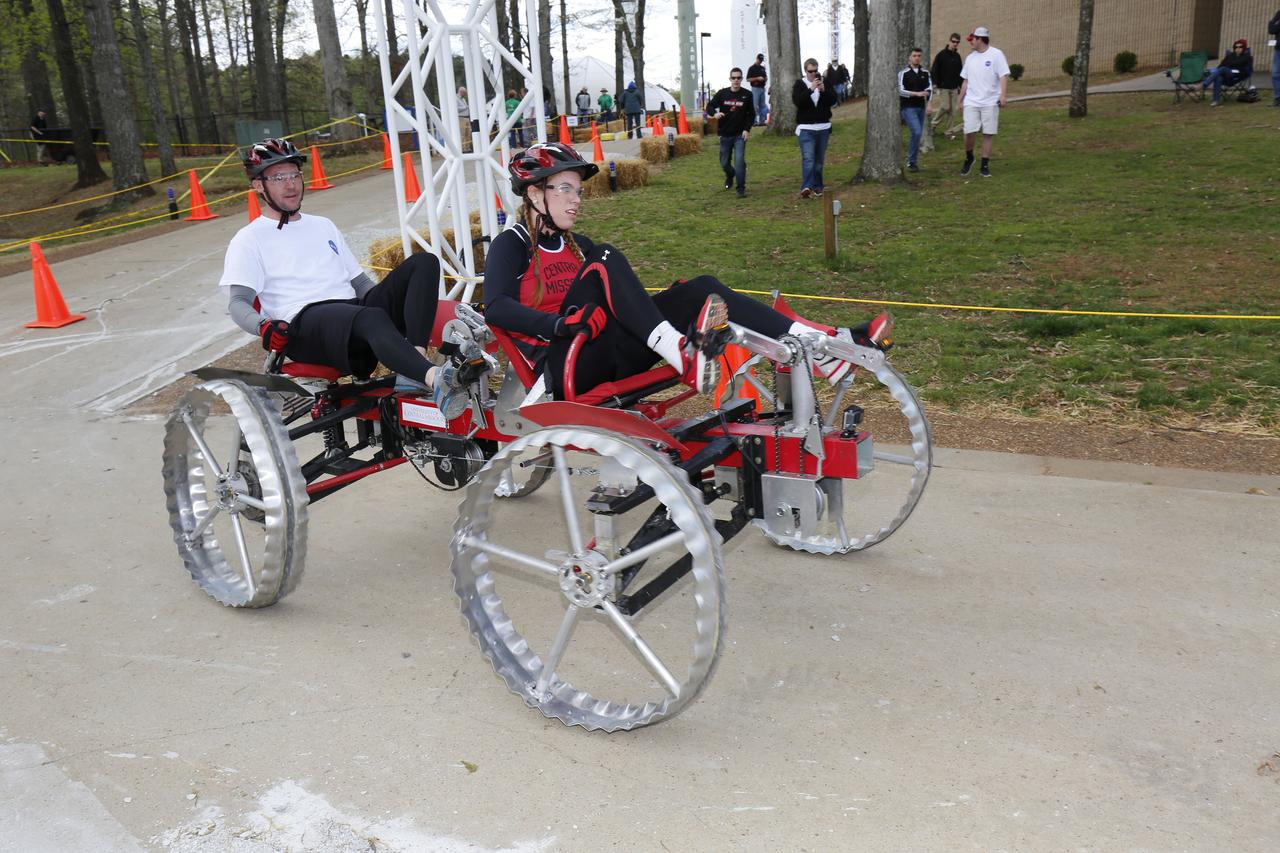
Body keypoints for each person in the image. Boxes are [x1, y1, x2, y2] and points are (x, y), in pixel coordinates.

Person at [482, 143, 879, 401]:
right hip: (564, 364)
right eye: (564, 189)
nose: (575, 199)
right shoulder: (512, 244)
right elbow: (495, 309)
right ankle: (681, 352)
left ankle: (822, 345)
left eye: (578, 190)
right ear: (534, 194)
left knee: (701, 289)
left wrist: (672, 305)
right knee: (603, 258)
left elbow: (624, 303)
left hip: (609, 352)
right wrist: (559, 326)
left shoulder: (578, 245)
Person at [218, 139, 479, 416]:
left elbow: (361, 284)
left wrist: (391, 301)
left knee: (424, 262)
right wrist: (263, 327)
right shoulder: (249, 239)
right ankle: (434, 378)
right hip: (303, 327)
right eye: (279, 177)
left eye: (294, 174)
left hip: (352, 321)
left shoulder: (323, 225)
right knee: (369, 316)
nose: (291, 184)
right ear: (259, 185)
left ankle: (414, 364)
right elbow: (238, 302)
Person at [958, 26, 1010, 178]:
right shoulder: (970, 58)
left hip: (990, 101)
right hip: (971, 101)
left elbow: (1003, 76)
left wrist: (1003, 95)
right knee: (969, 131)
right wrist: (960, 100)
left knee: (988, 133)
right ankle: (969, 157)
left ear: (980, 39)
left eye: (972, 39)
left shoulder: (996, 54)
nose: (970, 43)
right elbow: (965, 81)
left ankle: (984, 164)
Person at [707, 68, 755, 197]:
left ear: (741, 79)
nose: (736, 80)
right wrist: (715, 113)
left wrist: (747, 129)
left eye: (738, 78)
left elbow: (751, 114)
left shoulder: (747, 95)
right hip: (725, 134)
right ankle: (730, 174)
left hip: (740, 134)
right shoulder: (722, 94)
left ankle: (740, 188)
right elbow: (709, 106)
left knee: (739, 161)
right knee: (724, 163)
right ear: (730, 79)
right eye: (733, 78)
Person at [793, 57, 837, 198]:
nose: (813, 74)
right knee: (809, 158)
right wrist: (811, 89)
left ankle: (818, 186)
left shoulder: (825, 82)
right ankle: (806, 186)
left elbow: (833, 100)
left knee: (819, 161)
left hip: (823, 126)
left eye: (815, 71)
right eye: (810, 71)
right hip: (806, 127)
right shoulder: (800, 84)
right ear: (805, 71)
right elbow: (798, 102)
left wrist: (823, 90)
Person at [898, 48, 932, 172]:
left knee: (917, 134)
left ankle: (913, 162)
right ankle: (911, 161)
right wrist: (916, 94)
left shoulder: (925, 73)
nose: (916, 57)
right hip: (908, 107)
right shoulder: (904, 73)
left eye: (918, 55)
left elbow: (929, 89)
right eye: (914, 55)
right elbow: (900, 90)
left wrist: (929, 103)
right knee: (917, 131)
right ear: (909, 58)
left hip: (921, 108)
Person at [930, 33, 964, 138]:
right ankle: (932, 125)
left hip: (954, 88)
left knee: (952, 111)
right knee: (945, 106)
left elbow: (960, 73)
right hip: (943, 87)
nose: (955, 44)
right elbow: (934, 69)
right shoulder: (941, 55)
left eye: (957, 42)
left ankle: (949, 132)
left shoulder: (957, 57)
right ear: (949, 41)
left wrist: (961, 86)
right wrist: (935, 84)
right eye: (953, 41)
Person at [1202, 39, 1254, 106]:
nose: (1238, 49)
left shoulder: (1247, 57)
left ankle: (1205, 83)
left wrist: (1229, 64)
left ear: (1244, 47)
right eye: (1236, 47)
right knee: (1219, 77)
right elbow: (1220, 65)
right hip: (1228, 76)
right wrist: (1231, 64)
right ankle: (1216, 100)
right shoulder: (1230, 56)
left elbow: (1241, 65)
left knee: (1223, 69)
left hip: (1238, 76)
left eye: (1240, 47)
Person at [747, 53, 768, 125]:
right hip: (755, 88)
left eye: (761, 60)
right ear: (757, 59)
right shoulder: (752, 68)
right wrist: (757, 78)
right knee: (754, 105)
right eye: (759, 59)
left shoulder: (762, 68)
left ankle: (762, 121)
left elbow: (765, 77)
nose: (760, 61)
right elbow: (748, 79)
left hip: (762, 88)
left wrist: (764, 79)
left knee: (763, 105)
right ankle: (754, 121)